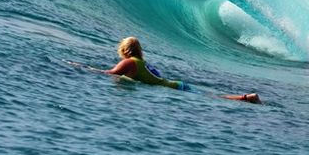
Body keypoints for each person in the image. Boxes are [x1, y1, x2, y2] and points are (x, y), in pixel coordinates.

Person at [105, 37, 261, 104]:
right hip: (177, 85)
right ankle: (246, 98)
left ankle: (247, 98)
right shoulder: (142, 62)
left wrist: (83, 68)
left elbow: (109, 74)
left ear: (125, 50)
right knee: (215, 96)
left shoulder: (129, 62)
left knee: (216, 98)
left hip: (176, 88)